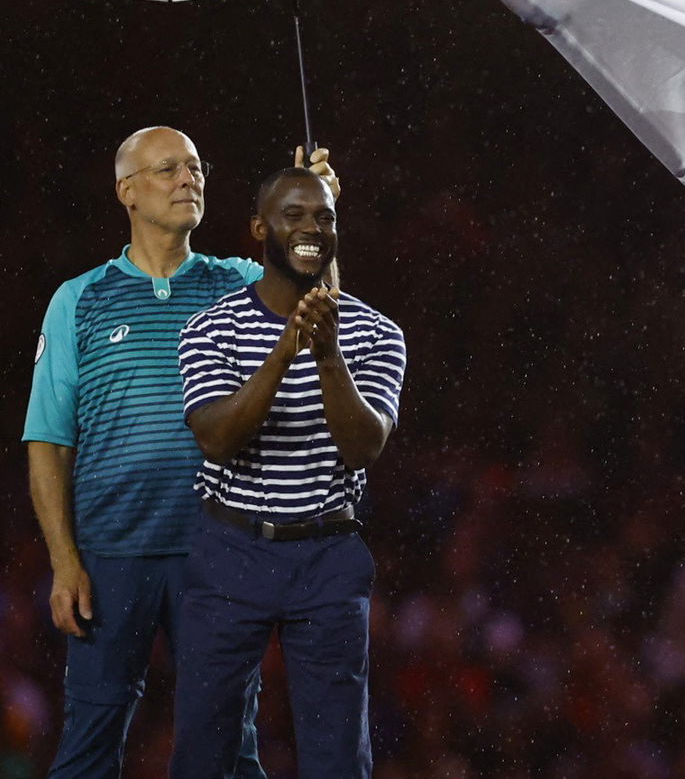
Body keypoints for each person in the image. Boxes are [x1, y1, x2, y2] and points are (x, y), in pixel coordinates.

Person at [22, 126, 336, 777]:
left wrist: (317, 212)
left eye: (195, 167)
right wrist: (63, 560)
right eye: (168, 169)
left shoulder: (241, 284)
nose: (188, 178)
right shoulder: (79, 300)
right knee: (89, 744)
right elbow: (49, 443)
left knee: (227, 743)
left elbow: (322, 316)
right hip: (111, 558)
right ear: (127, 191)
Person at [169, 166, 405, 779]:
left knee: (337, 758)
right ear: (259, 229)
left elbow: (363, 448)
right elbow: (217, 438)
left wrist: (327, 356)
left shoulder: (378, 332)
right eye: (293, 215)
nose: (311, 228)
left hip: (327, 551)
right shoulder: (209, 326)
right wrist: (283, 350)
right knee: (203, 748)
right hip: (231, 549)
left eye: (323, 217)